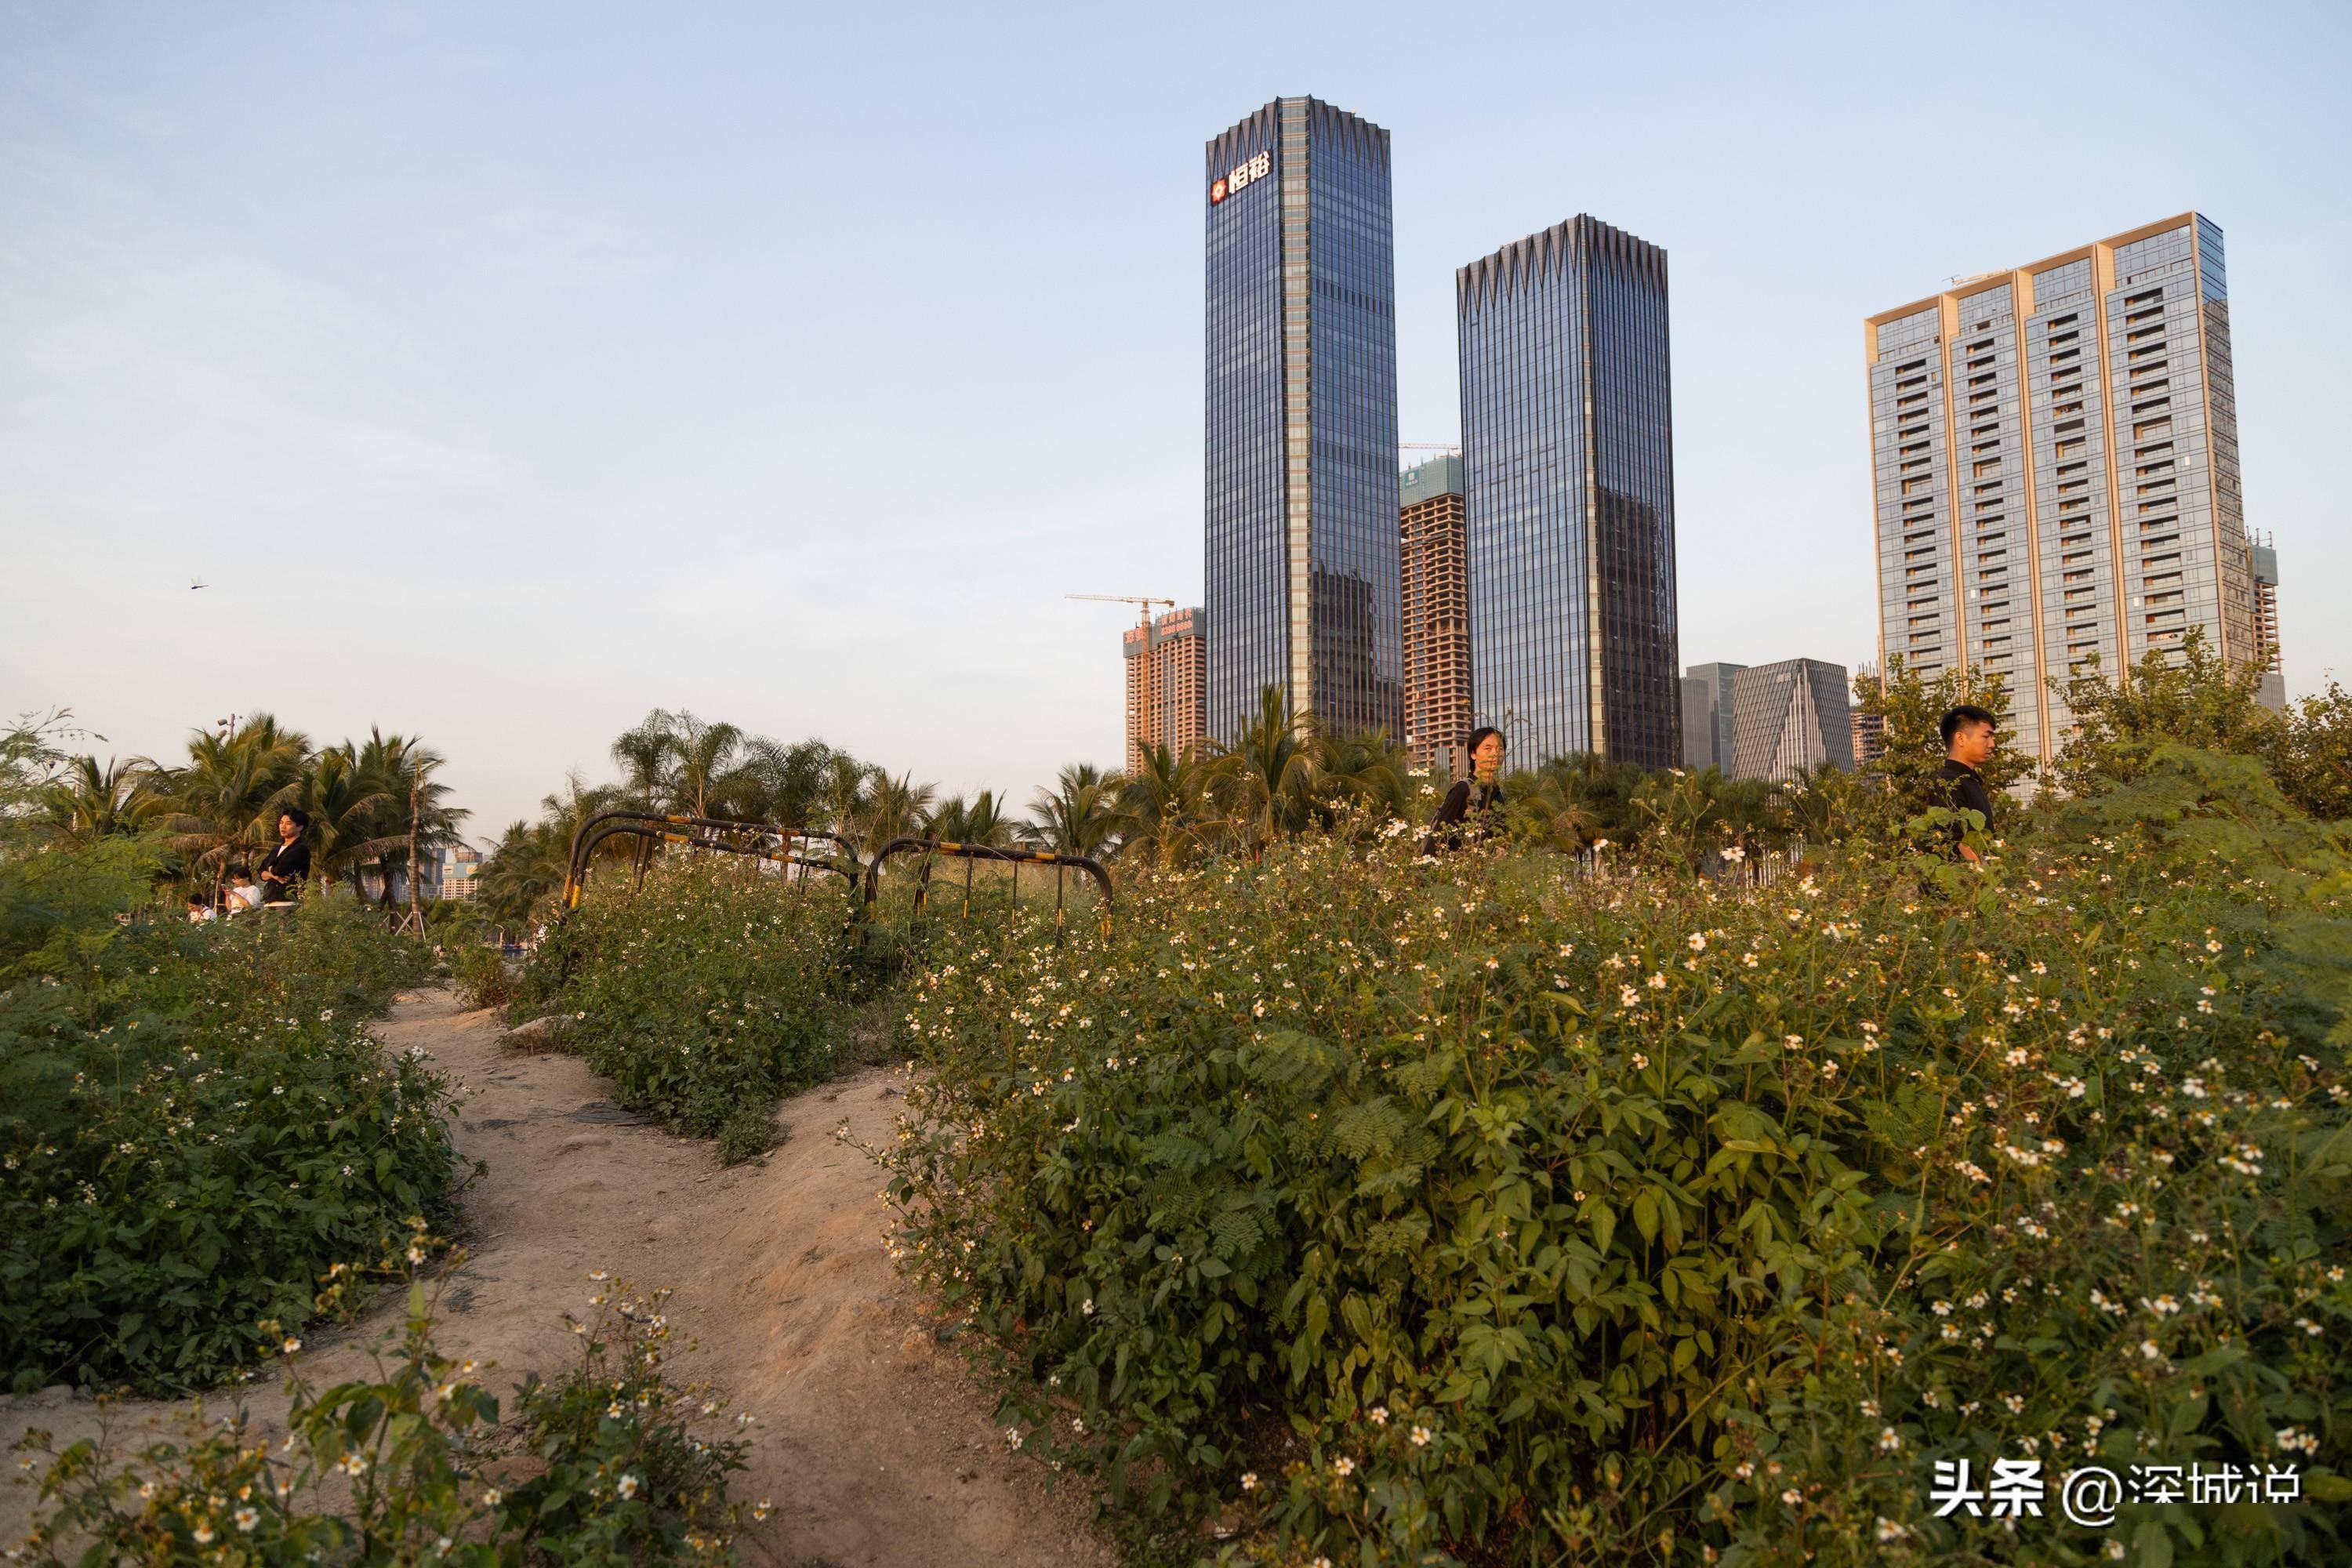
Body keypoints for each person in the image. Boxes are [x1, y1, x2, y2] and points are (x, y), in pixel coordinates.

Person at [1423, 726, 1507, 853]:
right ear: (1473, 754)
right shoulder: (1463, 790)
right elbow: (1437, 838)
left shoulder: (1499, 794)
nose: (1495, 753)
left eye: (1500, 748)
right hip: (1460, 869)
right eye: (1488, 748)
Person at [1938, 705, 1998, 864]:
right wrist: (1988, 881)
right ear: (1961, 738)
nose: (1992, 744)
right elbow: (1960, 844)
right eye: (1986, 736)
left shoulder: (1970, 781)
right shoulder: (1947, 783)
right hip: (1969, 884)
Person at [256, 808, 312, 906]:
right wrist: (274, 876)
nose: (283, 826)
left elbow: (279, 870)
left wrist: (271, 872)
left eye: (288, 823)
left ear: (300, 827)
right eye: (281, 823)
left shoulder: (300, 849)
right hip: (270, 900)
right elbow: (261, 872)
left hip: (287, 901)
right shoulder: (276, 850)